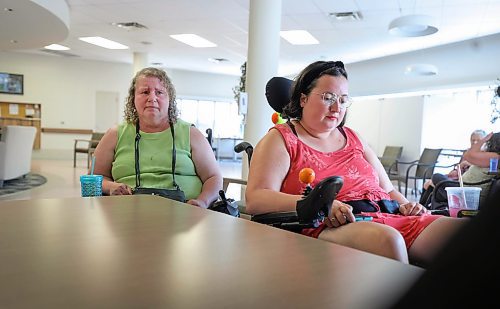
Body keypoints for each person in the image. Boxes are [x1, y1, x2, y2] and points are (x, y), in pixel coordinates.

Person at [245, 60, 464, 266]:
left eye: (342, 100)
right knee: (389, 241)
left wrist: (408, 204)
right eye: (328, 97)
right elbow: (256, 198)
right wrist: (321, 204)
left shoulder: (354, 137)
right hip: (333, 225)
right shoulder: (282, 138)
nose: (336, 107)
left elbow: (387, 189)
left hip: (390, 215)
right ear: (303, 99)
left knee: (464, 233)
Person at [92, 67, 222, 208]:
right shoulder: (115, 134)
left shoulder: (191, 134)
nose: (152, 98)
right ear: (133, 99)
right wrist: (111, 186)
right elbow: (94, 177)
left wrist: (202, 202)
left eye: (159, 92)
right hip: (128, 211)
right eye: (145, 92)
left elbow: (213, 177)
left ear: (169, 99)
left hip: (185, 212)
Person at [419, 129, 487, 205]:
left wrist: (468, 163)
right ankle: (421, 206)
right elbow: (459, 166)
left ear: (484, 141)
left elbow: (478, 169)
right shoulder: (467, 152)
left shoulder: (484, 155)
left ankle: (421, 207)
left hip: (463, 183)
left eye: (478, 140)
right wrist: (456, 169)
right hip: (457, 177)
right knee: (429, 183)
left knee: (436, 178)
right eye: (473, 140)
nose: (474, 142)